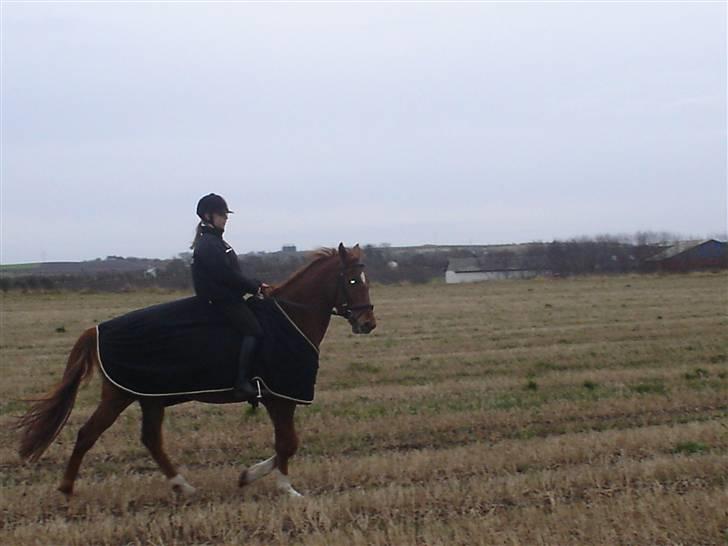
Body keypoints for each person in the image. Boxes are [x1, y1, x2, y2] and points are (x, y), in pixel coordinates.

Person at [190, 193, 272, 400]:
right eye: (221, 214)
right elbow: (225, 275)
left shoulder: (216, 241)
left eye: (226, 214)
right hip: (220, 301)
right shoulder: (209, 244)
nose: (225, 218)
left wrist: (255, 284)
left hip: (228, 298)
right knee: (253, 330)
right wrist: (254, 287)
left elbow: (233, 274)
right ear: (208, 216)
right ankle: (241, 383)